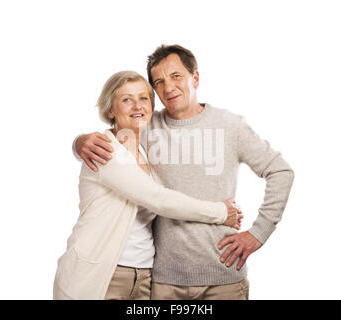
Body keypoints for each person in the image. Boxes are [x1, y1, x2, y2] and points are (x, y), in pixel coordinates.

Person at [74, 45, 294, 300]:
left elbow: (280, 171)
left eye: (176, 76)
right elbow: (113, 136)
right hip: (165, 282)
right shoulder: (145, 125)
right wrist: (79, 142)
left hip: (223, 276)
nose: (168, 87)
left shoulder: (229, 125)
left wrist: (259, 233)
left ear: (195, 78)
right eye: (159, 81)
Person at [53, 71, 243, 300]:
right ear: (111, 110)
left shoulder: (146, 150)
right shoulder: (106, 149)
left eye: (144, 98)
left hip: (144, 276)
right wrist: (221, 212)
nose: (137, 105)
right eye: (126, 99)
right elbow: (158, 199)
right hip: (102, 273)